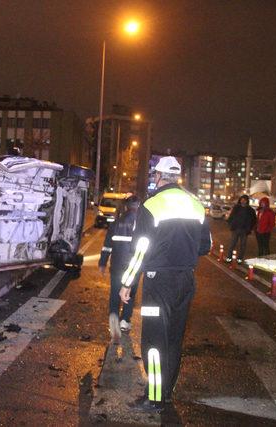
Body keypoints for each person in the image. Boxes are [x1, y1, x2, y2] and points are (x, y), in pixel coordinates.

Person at [119, 156, 211, 412]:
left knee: (153, 341)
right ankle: (166, 393)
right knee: (173, 339)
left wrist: (127, 282)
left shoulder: (152, 205)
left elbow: (140, 250)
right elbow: (206, 246)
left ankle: (155, 398)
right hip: (185, 281)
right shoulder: (196, 204)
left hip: (157, 283)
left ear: (158, 177)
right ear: (177, 177)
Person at [99, 195, 140, 339]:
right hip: (134, 266)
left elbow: (107, 245)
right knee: (130, 294)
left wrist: (102, 262)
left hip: (116, 265)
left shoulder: (117, 222)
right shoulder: (141, 224)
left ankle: (113, 323)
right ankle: (125, 321)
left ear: (127, 206)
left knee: (115, 294)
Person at [225, 194, 256, 264]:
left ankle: (239, 259)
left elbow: (254, 219)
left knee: (243, 245)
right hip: (235, 229)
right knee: (232, 244)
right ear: (240, 200)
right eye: (242, 199)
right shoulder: (236, 207)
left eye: (244, 199)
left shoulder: (250, 210)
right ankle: (229, 258)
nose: (243, 201)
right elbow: (231, 217)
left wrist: (250, 228)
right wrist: (230, 224)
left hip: (245, 230)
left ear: (247, 201)